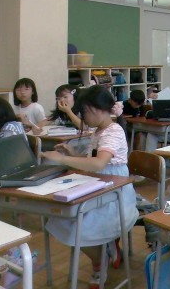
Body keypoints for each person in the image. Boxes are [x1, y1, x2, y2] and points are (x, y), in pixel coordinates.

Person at [42, 86, 138, 289]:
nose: (83, 117)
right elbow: (93, 161)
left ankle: (100, 260)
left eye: (84, 112)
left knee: (76, 226)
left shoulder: (114, 131)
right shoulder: (99, 130)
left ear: (98, 109)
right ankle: (105, 250)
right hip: (99, 186)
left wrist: (62, 159)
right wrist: (72, 154)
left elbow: (99, 163)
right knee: (63, 218)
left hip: (114, 192)